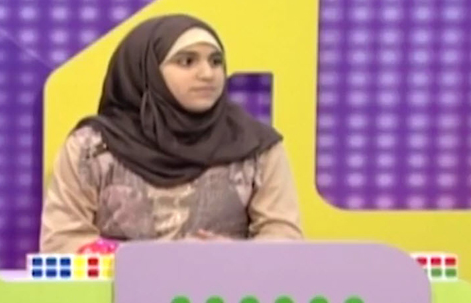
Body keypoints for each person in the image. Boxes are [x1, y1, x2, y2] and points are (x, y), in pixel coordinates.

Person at [39, 14, 302, 253]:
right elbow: (61, 244)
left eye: (216, 61)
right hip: (120, 291)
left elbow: (286, 239)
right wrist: (158, 261)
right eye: (187, 61)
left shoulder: (256, 145)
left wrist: (233, 255)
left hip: (224, 290)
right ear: (148, 71)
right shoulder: (91, 147)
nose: (207, 74)